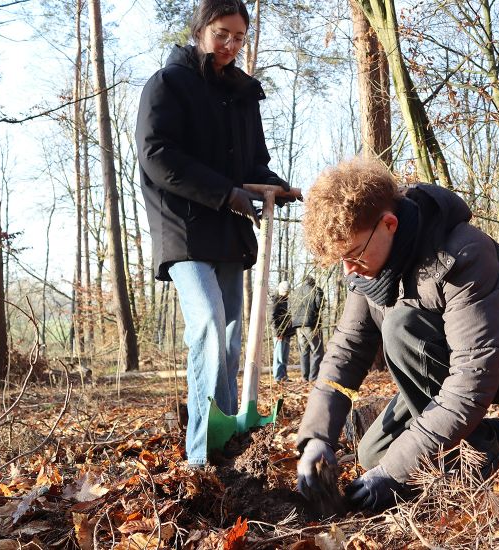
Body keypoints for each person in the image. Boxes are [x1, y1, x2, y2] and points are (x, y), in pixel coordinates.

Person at [295, 157, 499, 511]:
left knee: (401, 327)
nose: (349, 270)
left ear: (389, 224)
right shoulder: (367, 270)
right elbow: (345, 353)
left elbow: (471, 381)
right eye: (341, 261)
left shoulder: (462, 253)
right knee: (373, 454)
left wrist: (394, 474)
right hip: (455, 362)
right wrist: (317, 439)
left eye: (353, 255)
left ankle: (481, 455)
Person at [135, 0, 288, 468]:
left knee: (230, 337)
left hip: (229, 231)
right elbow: (157, 155)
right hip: (183, 227)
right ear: (201, 29)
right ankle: (202, 454)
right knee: (206, 322)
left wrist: (274, 186)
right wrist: (225, 193)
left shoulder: (243, 94)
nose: (230, 45)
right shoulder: (168, 83)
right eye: (222, 34)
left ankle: (228, 440)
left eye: (239, 37)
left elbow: (253, 164)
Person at [291, 276, 324, 382]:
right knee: (317, 351)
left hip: (298, 326)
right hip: (311, 324)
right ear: (313, 282)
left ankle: (305, 377)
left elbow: (289, 308)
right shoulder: (316, 290)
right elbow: (320, 305)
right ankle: (313, 377)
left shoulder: (295, 292)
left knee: (304, 351)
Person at [271, 281, 294, 382]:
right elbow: (272, 319)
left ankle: (284, 376)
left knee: (284, 357)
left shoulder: (286, 301)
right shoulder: (275, 301)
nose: (287, 293)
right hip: (279, 334)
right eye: (286, 291)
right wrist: (278, 333)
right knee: (279, 356)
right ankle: (278, 377)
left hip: (286, 333)